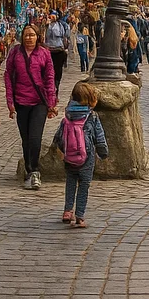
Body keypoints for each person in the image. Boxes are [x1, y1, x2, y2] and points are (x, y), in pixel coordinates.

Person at [3, 24, 58, 191]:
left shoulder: (44, 53)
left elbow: (49, 78)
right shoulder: (15, 53)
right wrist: (10, 102)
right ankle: (28, 169)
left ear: (38, 36)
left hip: (39, 102)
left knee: (35, 138)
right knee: (26, 139)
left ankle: (35, 171)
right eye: (26, 35)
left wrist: (51, 102)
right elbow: (8, 75)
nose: (29, 38)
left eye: (32, 35)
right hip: (21, 101)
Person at [52, 82, 108, 229]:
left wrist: (61, 151)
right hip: (87, 158)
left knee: (70, 181)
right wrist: (103, 153)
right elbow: (100, 137)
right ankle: (80, 216)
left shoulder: (68, 115)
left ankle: (67, 211)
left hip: (69, 157)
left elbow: (58, 137)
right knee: (84, 185)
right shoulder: (92, 116)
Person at [44, 11, 70, 87]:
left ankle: (56, 85)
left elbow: (65, 35)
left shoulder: (61, 25)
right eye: (50, 16)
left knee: (58, 70)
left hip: (58, 49)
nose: (51, 18)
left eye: (53, 16)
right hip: (49, 50)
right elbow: (43, 36)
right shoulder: (46, 26)